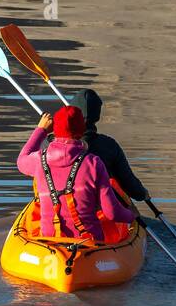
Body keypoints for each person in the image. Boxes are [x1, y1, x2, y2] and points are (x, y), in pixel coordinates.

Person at [17, 105, 134, 243]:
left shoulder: (39, 160)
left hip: (49, 242)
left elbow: (21, 160)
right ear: (82, 130)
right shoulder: (94, 163)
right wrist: (132, 216)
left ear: (54, 129)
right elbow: (111, 212)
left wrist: (41, 130)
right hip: (88, 243)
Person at [69, 88, 149, 204]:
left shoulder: (52, 144)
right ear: (97, 115)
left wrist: (42, 130)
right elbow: (127, 181)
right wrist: (142, 193)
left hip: (58, 212)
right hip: (101, 212)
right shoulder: (108, 145)